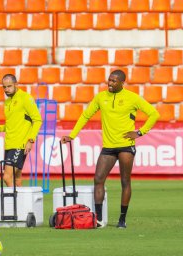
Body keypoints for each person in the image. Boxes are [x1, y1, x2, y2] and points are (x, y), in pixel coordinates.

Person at [61, 70, 159, 229]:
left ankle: (122, 219)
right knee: (98, 179)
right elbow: (85, 115)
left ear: (122, 82)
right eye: (109, 80)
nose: (110, 83)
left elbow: (154, 114)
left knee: (125, 181)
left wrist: (140, 132)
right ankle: (98, 219)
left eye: (114, 81)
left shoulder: (132, 98)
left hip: (126, 146)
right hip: (108, 147)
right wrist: (72, 135)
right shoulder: (101, 97)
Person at [0, 74, 42, 187]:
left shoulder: (25, 98)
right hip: (9, 144)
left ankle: (13, 203)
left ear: (16, 85)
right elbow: (10, 125)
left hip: (19, 144)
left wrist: (30, 140)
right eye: (4, 87)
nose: (6, 89)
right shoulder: (7, 102)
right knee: (16, 177)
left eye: (9, 86)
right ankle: (21, 204)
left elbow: (37, 120)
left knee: (7, 177)